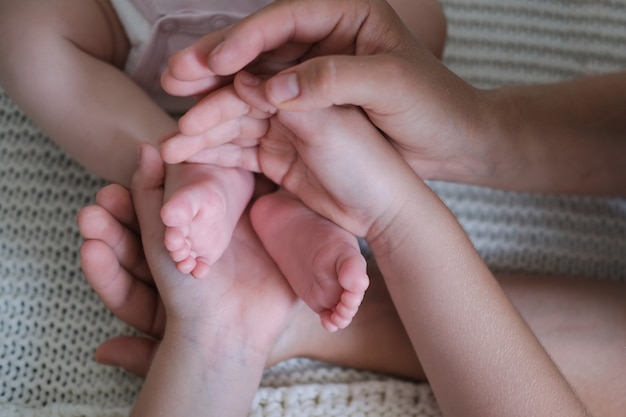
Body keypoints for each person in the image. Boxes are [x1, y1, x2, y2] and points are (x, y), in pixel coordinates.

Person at [0, 0, 446, 332]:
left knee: (415, 24)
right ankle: (189, 158)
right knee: (19, 31)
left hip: (304, 39)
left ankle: (297, 195)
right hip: (128, 20)